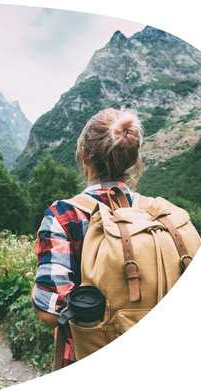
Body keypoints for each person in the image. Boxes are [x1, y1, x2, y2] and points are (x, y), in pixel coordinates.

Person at [31, 108, 144, 367]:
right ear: (133, 161)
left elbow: (50, 312)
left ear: (84, 156)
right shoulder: (154, 213)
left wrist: (35, 291)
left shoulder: (64, 215)